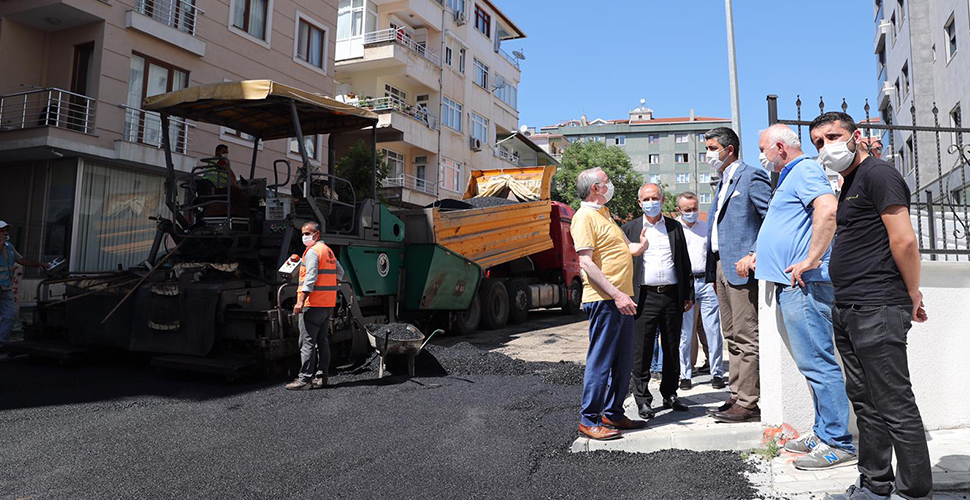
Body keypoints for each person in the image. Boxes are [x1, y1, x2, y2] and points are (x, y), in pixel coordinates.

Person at [810, 112, 932, 500]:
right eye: (818, 141)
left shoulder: (879, 175)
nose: (826, 146)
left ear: (856, 136)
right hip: (848, 307)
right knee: (865, 403)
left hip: (878, 304)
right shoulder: (847, 183)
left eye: (832, 136)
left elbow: (905, 241)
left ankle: (914, 492)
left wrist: (913, 292)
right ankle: (875, 485)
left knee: (894, 402)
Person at [750, 124, 856, 470]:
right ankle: (823, 433)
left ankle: (838, 442)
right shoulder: (792, 176)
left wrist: (810, 260)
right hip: (795, 286)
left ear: (780, 147)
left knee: (819, 363)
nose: (762, 156)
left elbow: (827, 210)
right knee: (812, 364)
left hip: (805, 284)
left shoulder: (804, 169)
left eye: (764, 149)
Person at [570, 167, 650, 440]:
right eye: (607, 182)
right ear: (595, 188)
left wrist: (638, 248)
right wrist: (616, 294)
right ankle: (589, 419)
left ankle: (613, 413)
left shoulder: (604, 215)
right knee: (602, 361)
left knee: (623, 359)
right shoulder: (583, 217)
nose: (611, 185)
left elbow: (623, 247)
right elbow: (586, 262)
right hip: (606, 299)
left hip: (621, 298)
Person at [703, 127, 771, 423]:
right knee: (730, 335)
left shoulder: (751, 176)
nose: (708, 154)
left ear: (729, 149)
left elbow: (771, 216)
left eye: (711, 147)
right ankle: (736, 394)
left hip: (742, 267)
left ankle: (749, 402)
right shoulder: (722, 181)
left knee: (746, 335)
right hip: (721, 266)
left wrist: (754, 252)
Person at [622, 183, 693, 419]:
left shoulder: (674, 227)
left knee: (671, 347)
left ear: (662, 201)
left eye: (655, 198)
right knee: (641, 350)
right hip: (643, 297)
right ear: (639, 202)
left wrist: (688, 293)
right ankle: (643, 400)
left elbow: (684, 262)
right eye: (646, 198)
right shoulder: (629, 229)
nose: (651, 202)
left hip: (672, 295)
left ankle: (670, 393)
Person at [285, 221, 344, 390]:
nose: (304, 237)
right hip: (327, 304)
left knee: (307, 342)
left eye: (307, 233)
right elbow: (340, 272)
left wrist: (300, 301)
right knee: (322, 341)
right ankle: (322, 376)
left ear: (316, 235)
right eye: (303, 233)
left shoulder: (312, 252)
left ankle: (304, 379)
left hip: (312, 305)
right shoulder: (328, 251)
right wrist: (329, 286)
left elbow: (309, 279)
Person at [675, 192, 725, 390]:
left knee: (713, 330)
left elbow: (714, 254)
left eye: (695, 209)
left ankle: (717, 373)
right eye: (687, 210)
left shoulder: (706, 228)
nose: (692, 213)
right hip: (685, 285)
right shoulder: (675, 229)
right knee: (685, 333)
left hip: (706, 282)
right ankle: (685, 374)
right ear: (679, 210)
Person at [0, 221, 49, 351]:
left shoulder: (9, 247)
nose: (5, 233)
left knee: (10, 315)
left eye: (6, 231)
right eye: (2, 231)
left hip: (5, 288)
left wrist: (38, 263)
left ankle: (1, 343)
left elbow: (21, 260)